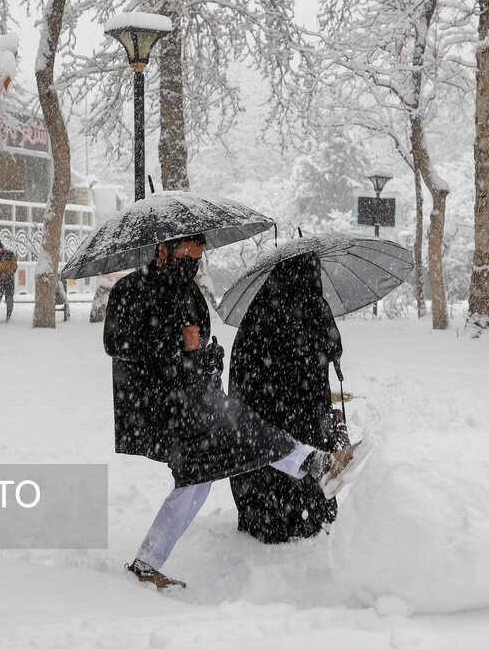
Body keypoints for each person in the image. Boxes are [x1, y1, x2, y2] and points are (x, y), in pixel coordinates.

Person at [104, 234, 364, 590]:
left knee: (197, 480)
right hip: (155, 404)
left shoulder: (189, 292)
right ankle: (317, 464)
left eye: (198, 257)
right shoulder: (131, 290)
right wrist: (175, 341)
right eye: (186, 255)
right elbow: (116, 343)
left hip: (193, 395)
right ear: (163, 249)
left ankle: (146, 564)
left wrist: (207, 358)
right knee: (242, 432)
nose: (192, 263)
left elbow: (197, 344)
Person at [229, 252, 344, 544]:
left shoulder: (270, 308)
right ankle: (295, 512)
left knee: (299, 452)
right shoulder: (279, 312)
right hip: (281, 408)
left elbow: (328, 347)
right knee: (293, 452)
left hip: (290, 406)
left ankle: (289, 512)